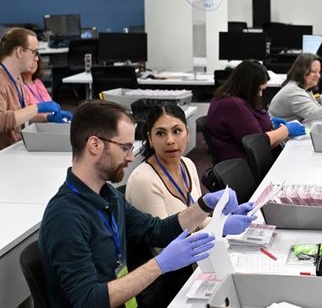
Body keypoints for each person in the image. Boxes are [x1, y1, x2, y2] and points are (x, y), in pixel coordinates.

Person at [39, 100, 254, 308]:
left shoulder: (108, 195)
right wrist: (159, 265)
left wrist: (203, 206)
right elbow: (89, 300)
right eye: (125, 147)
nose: (130, 158)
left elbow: (157, 230)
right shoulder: (65, 217)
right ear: (94, 145)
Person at [126, 103, 256, 307]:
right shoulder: (144, 179)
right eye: (161, 133)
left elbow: (197, 219)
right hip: (169, 281)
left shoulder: (187, 164)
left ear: (188, 132)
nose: (170, 140)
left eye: (177, 131)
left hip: (197, 266)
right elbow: (164, 247)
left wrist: (221, 218)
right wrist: (219, 228)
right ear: (150, 138)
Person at [207, 60, 305, 161]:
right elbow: (258, 144)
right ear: (247, 86)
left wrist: (270, 123)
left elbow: (248, 127)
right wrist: (286, 130)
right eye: (259, 90)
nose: (260, 94)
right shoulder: (232, 105)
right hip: (246, 167)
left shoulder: (235, 99)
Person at [0, 27, 71, 149]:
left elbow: (20, 116)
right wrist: (37, 107)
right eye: (34, 52)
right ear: (19, 51)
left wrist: (46, 118)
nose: (37, 58)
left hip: (14, 148)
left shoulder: (17, 78)